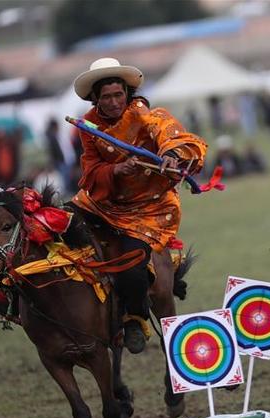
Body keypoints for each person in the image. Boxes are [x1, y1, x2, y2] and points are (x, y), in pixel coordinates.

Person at [71, 57, 207, 354]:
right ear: (95, 98)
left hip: (149, 208)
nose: (113, 102)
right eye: (106, 97)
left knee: (132, 263)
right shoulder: (87, 126)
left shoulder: (143, 113)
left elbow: (167, 132)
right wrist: (116, 171)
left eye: (118, 95)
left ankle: (135, 319)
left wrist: (171, 155)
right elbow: (90, 171)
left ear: (127, 94)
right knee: (59, 224)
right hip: (104, 204)